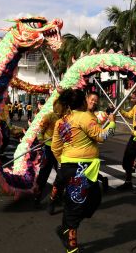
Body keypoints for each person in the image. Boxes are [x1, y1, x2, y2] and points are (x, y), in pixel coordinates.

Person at [52, 89, 116, 253]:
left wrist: (64, 164)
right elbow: (102, 136)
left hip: (74, 167)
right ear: (83, 101)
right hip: (79, 168)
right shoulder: (84, 117)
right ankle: (71, 244)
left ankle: (66, 229)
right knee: (77, 205)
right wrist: (112, 123)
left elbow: (55, 148)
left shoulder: (62, 121)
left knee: (93, 199)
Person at [34, 100, 61, 207]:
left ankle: (56, 196)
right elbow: (40, 130)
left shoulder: (66, 118)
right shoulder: (48, 116)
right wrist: (40, 139)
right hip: (48, 148)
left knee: (61, 175)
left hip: (60, 150)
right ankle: (37, 197)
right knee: (43, 174)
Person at [86, 91, 109, 192]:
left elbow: (104, 135)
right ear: (87, 99)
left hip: (91, 148)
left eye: (96, 101)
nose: (94, 102)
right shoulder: (80, 112)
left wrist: (111, 123)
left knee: (89, 171)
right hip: (79, 147)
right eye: (92, 100)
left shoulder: (98, 115)